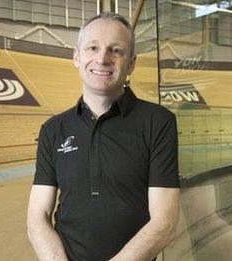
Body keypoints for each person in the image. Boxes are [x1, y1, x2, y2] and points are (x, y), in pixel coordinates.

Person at [27, 12, 180, 261]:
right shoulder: (53, 130)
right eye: (92, 48)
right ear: (77, 56)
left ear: (131, 63)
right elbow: (37, 216)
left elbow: (165, 223)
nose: (102, 58)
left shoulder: (158, 122)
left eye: (116, 50)